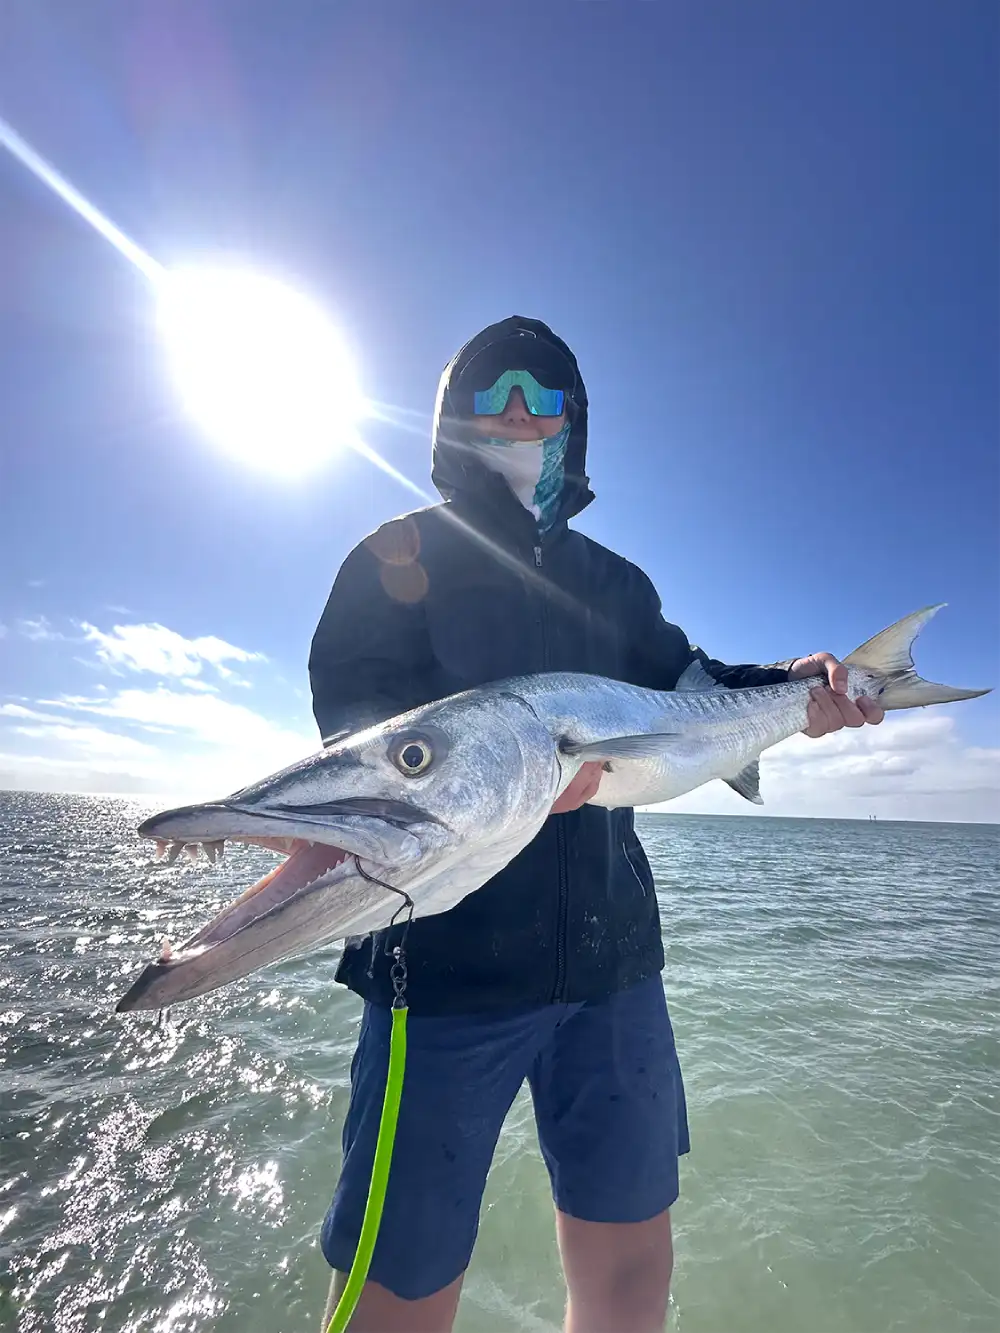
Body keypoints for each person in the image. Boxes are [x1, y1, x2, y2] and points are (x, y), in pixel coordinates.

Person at [309, 317, 883, 1333]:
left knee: (629, 1265)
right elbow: (363, 743)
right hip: (438, 972)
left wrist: (799, 683)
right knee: (399, 1289)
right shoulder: (394, 556)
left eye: (541, 395)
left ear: (573, 421)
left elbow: (691, 688)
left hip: (613, 966)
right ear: (449, 416)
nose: (516, 413)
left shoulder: (617, 583)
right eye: (491, 393)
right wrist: (519, 774)